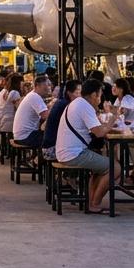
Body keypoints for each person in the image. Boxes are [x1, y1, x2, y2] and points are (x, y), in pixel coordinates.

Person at [55, 78, 113, 213]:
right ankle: (94, 204)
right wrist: (113, 118)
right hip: (73, 154)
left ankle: (92, 201)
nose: (100, 99)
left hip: (66, 151)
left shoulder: (78, 103)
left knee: (101, 166)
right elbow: (99, 133)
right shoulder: (84, 106)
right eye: (99, 95)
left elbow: (96, 127)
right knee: (114, 168)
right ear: (94, 95)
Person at [12, 74, 52, 148]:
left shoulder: (32, 95)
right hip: (26, 136)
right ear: (37, 86)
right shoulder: (35, 97)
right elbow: (45, 116)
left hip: (21, 135)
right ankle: (42, 158)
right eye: (46, 86)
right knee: (53, 138)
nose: (49, 88)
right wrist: (55, 108)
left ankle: (37, 158)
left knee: (49, 135)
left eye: (49, 86)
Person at [42, 79, 79, 158]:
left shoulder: (61, 102)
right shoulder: (66, 106)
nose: (80, 95)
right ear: (69, 93)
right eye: (78, 92)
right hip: (52, 149)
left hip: (50, 147)